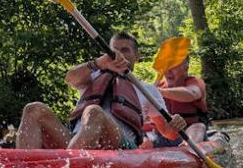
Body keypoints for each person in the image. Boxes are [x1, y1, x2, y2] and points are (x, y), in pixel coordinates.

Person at [15, 32, 186, 150]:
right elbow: (69, 78)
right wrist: (97, 63)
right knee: (33, 109)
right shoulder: (93, 76)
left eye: (125, 50)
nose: (119, 54)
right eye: (114, 50)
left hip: (121, 146)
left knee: (94, 112)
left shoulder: (148, 90)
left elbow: (168, 133)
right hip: (75, 142)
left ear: (137, 56)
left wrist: (175, 125)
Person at [150, 55, 209, 147]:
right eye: (167, 66)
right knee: (144, 135)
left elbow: (192, 93)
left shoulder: (194, 82)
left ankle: (187, 148)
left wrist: (159, 92)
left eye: (174, 66)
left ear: (186, 69)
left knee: (198, 127)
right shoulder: (159, 85)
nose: (169, 70)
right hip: (160, 136)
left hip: (187, 133)